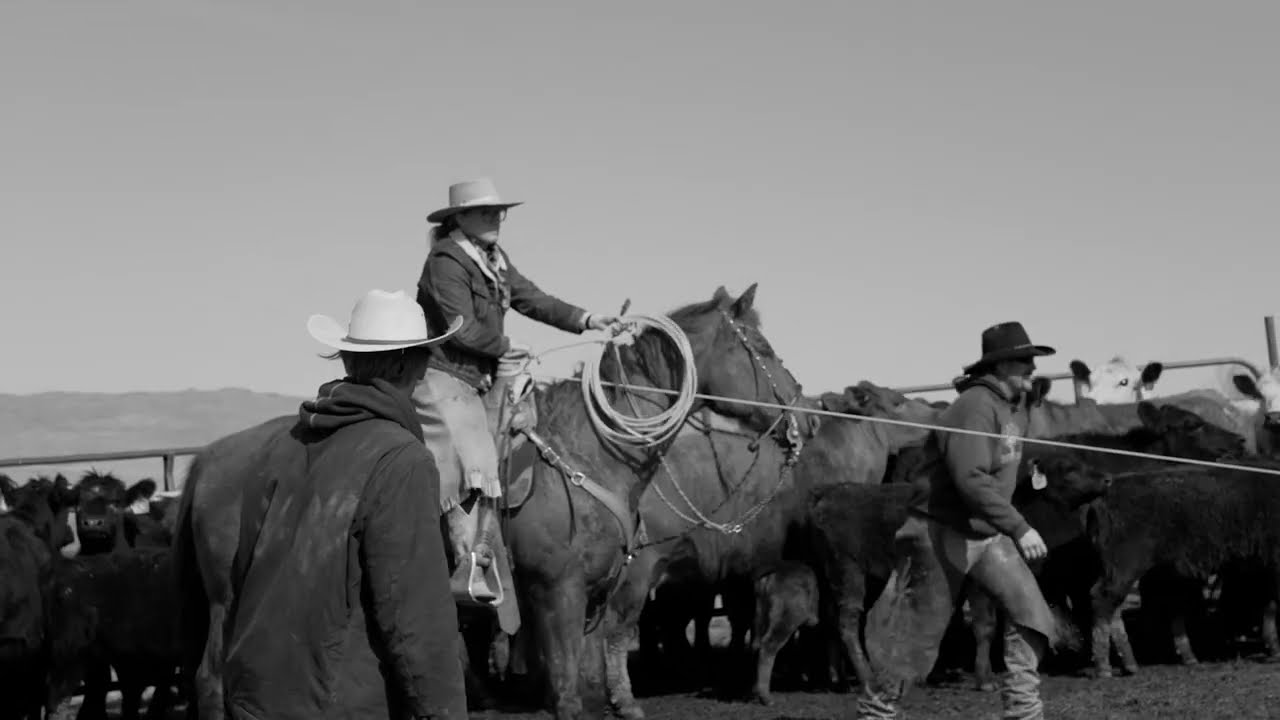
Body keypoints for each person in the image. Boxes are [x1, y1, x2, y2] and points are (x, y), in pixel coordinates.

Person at [222, 289, 469, 720]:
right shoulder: (401, 460)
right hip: (340, 704)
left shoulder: (282, 446)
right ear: (407, 364)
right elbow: (416, 619)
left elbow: (243, 577)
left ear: (348, 361)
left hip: (255, 697)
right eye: (425, 359)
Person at [413, 177, 622, 620]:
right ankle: (470, 563)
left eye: (499, 212)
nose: (496, 219)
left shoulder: (493, 259)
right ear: (460, 218)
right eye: (486, 212)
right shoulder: (445, 262)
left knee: (532, 437)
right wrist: (504, 347)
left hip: (486, 379)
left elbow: (532, 299)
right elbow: (459, 327)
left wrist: (587, 319)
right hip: (446, 378)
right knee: (475, 461)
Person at [857, 321, 1056, 720]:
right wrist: (1020, 526)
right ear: (999, 366)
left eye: (1031, 361)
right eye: (1023, 361)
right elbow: (971, 479)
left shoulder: (1012, 406)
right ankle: (876, 713)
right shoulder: (975, 407)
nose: (1031, 368)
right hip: (939, 529)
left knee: (1031, 614)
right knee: (915, 637)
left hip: (983, 531)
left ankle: (1024, 711)